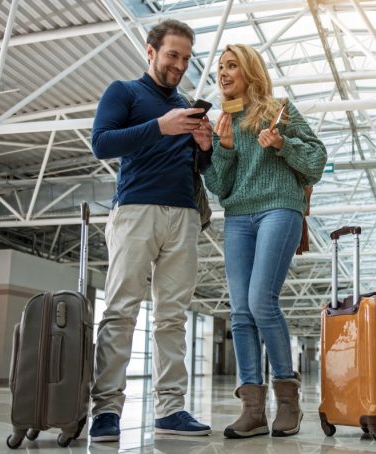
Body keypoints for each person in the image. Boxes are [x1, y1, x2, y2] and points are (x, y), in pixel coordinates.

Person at [88, 19, 213, 442]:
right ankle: (106, 410)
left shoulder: (186, 106)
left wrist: (204, 147)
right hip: (136, 211)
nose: (179, 64)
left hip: (183, 216)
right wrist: (162, 125)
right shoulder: (124, 91)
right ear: (151, 51)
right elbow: (102, 143)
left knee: (172, 318)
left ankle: (170, 408)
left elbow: (202, 171)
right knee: (122, 309)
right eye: (172, 55)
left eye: (186, 58)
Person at [203, 44, 327, 439]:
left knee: (260, 301)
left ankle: (288, 400)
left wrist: (281, 144)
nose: (223, 72)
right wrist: (221, 149)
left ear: (250, 71)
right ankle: (253, 410)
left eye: (231, 65)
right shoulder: (223, 121)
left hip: (279, 207)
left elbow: (317, 161)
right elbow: (219, 187)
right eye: (220, 67)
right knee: (239, 311)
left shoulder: (280, 109)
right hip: (238, 215)